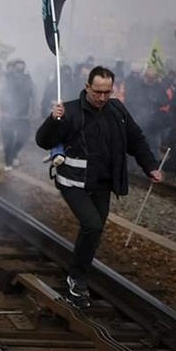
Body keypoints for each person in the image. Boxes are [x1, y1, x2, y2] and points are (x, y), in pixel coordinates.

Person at [35, 66, 162, 309]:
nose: (102, 97)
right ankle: (77, 279)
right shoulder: (70, 111)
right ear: (87, 87)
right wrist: (53, 120)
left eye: (107, 92)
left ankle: (80, 272)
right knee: (91, 225)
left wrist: (150, 167)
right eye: (98, 92)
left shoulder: (117, 111)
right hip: (73, 182)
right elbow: (43, 141)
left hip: (102, 183)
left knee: (96, 230)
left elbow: (136, 139)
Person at [0, 59, 35, 170]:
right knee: (8, 139)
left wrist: (33, 110)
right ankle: (8, 162)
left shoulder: (27, 78)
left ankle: (14, 153)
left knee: (24, 137)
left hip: (23, 115)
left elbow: (33, 94)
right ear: (14, 66)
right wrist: (0, 111)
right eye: (18, 65)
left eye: (22, 65)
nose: (20, 67)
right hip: (8, 114)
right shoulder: (6, 78)